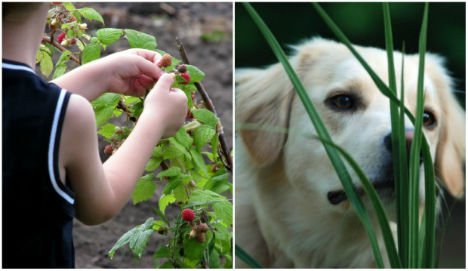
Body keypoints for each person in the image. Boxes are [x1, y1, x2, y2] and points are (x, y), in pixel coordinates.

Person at [2, 3, 188, 267]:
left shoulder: (53, 114)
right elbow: (99, 205)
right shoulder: (70, 118)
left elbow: (16, 115)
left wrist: (102, 75)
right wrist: (155, 119)